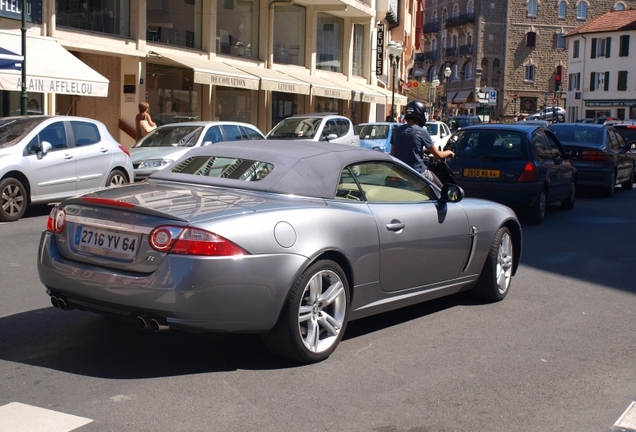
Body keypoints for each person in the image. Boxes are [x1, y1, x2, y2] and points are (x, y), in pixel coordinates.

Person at [390, 100, 455, 188]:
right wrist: (449, 152)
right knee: (440, 189)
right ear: (422, 114)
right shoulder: (421, 131)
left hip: (398, 172)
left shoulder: (397, 130)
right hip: (417, 172)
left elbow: (392, 153)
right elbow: (438, 155)